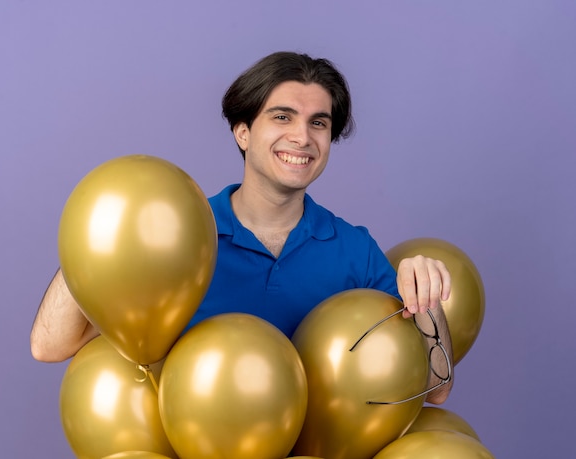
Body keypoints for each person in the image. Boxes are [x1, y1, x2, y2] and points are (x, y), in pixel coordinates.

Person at [30, 51, 453, 404]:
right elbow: (49, 347)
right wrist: (94, 239)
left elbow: (437, 390)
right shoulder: (176, 237)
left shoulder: (354, 249)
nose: (302, 137)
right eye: (283, 117)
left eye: (318, 123)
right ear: (243, 132)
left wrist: (427, 296)